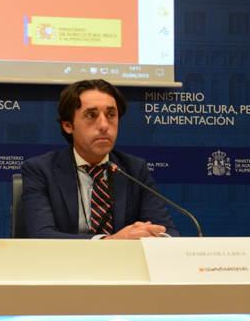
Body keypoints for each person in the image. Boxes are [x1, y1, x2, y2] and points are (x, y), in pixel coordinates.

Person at [21, 79, 180, 239]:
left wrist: (158, 237)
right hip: (68, 256)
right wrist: (109, 241)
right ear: (68, 125)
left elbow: (168, 231)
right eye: (91, 115)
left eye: (111, 115)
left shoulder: (135, 169)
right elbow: (42, 236)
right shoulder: (40, 170)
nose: (104, 125)